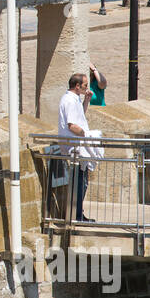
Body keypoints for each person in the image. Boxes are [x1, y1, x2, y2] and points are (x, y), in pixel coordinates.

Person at [55, 72, 93, 222]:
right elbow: (72, 125)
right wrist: (87, 135)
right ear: (77, 86)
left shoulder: (74, 99)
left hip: (77, 145)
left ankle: (78, 213)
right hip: (74, 147)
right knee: (80, 182)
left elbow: (79, 116)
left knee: (82, 181)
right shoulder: (69, 101)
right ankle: (76, 215)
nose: (86, 88)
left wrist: (86, 100)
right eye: (85, 86)